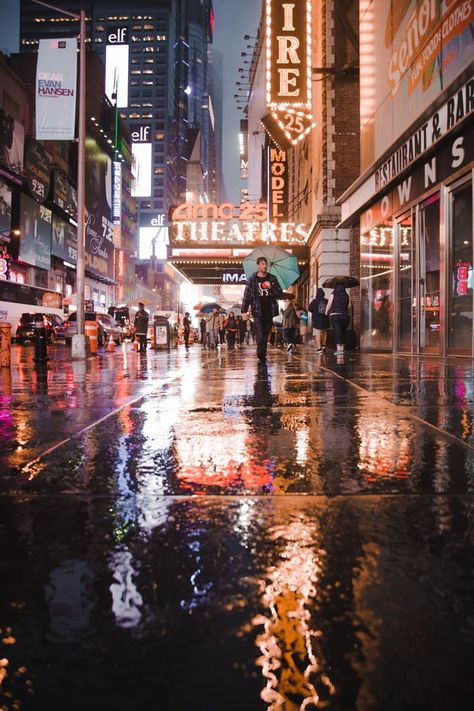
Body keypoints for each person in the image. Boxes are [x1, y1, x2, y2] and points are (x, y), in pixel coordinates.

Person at [241, 256, 284, 362]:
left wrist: (271, 288)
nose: (264, 266)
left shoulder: (272, 278)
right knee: (260, 334)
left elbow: (279, 293)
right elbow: (247, 296)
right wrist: (244, 311)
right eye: (262, 264)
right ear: (258, 265)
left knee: (265, 334)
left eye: (266, 264)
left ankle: (262, 353)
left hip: (269, 311)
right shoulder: (252, 279)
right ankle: (260, 353)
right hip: (257, 311)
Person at [326, 283, 351, 353]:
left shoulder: (333, 294)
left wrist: (326, 312)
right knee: (343, 331)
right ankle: (342, 348)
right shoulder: (347, 295)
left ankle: (338, 349)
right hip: (345, 316)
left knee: (337, 332)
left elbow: (329, 304)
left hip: (335, 315)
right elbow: (349, 306)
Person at [308, 288, 330, 353]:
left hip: (316, 320)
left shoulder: (314, 301)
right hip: (325, 319)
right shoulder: (326, 300)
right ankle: (323, 346)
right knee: (324, 333)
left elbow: (309, 309)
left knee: (317, 333)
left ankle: (319, 347)